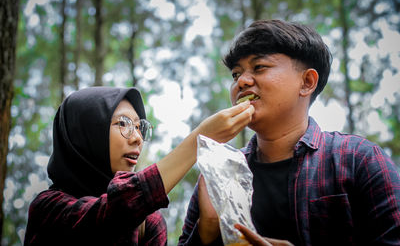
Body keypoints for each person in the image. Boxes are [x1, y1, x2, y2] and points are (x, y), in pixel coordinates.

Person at [178, 19, 400, 246]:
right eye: (236, 74)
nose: (242, 82)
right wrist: (206, 232)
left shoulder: (359, 160)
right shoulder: (219, 172)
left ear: (307, 82)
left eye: (259, 67)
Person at [24, 86, 254, 245]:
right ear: (85, 133)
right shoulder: (48, 209)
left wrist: (207, 229)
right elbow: (115, 213)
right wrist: (198, 140)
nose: (137, 138)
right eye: (122, 124)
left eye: (139, 127)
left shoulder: (149, 222)